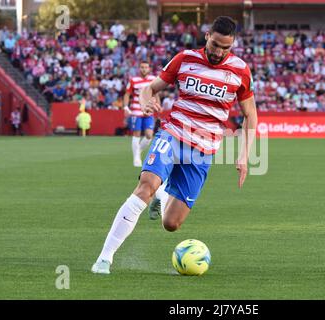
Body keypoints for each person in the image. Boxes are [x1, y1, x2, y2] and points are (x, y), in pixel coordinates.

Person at [91, 16, 257, 275]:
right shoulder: (185, 59)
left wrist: (244, 155)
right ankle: (104, 258)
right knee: (144, 187)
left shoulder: (240, 71)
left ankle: (162, 193)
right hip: (173, 135)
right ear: (207, 37)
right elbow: (151, 88)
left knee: (171, 223)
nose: (219, 52)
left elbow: (251, 115)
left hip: (204, 150)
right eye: (215, 45)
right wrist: (148, 101)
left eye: (226, 47)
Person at [123, 61, 159, 167]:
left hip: (149, 110)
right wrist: (125, 107)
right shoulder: (134, 80)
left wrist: (158, 104)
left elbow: (155, 93)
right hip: (136, 110)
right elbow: (127, 94)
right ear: (139, 68)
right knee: (136, 134)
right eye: (142, 67)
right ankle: (136, 158)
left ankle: (138, 151)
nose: (144, 69)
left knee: (149, 135)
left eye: (146, 67)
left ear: (149, 68)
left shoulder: (153, 79)